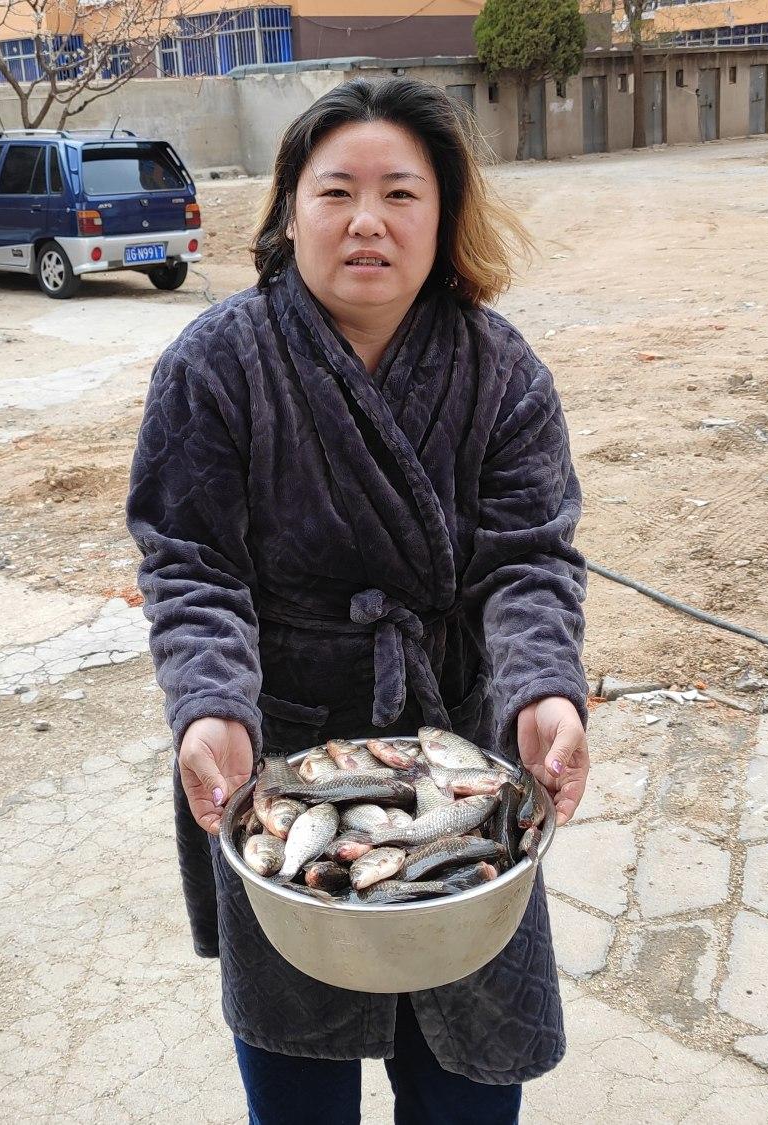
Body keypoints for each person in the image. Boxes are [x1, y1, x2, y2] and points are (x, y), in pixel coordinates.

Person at [128, 77, 589, 1124]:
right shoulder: (215, 366)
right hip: (277, 759)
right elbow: (190, 565)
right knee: (297, 1088)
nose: (367, 221)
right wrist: (209, 709)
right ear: (289, 211)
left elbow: (528, 563)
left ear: (446, 213)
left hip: (459, 770)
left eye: (401, 193)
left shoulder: (499, 370)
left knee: (470, 1086)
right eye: (335, 192)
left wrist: (541, 692)